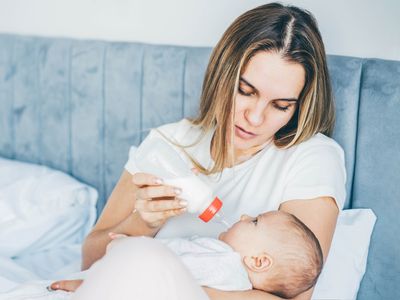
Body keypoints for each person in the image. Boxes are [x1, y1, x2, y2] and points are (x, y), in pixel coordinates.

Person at [53, 2, 346, 299]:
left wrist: (147, 285)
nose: (255, 118)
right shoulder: (168, 144)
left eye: (281, 105)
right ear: (222, 74)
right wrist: (144, 221)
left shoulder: (311, 158)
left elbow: (295, 297)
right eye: (245, 91)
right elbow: (90, 261)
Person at [52, 211, 323, 299]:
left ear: (259, 261)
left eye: (254, 222)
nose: (244, 216)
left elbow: (172, 273)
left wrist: (130, 248)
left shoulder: (225, 264)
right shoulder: (229, 270)